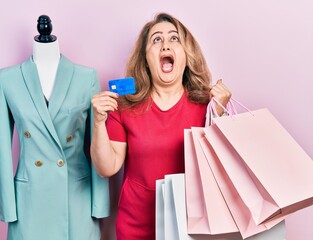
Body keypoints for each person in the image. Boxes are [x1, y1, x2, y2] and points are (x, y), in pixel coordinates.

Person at [90, 12, 231, 239]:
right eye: (156, 39)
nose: (165, 44)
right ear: (145, 57)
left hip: (192, 226)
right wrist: (98, 122)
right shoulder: (124, 105)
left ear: (186, 54)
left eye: (174, 38)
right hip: (135, 226)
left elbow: (221, 170)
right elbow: (107, 167)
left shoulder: (208, 103)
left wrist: (219, 113)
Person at [0, 15, 109, 240]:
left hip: (76, 198)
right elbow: (1, 147)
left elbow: (97, 142)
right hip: (29, 201)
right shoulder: (8, 79)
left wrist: (100, 205)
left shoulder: (87, 77)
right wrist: (8, 206)